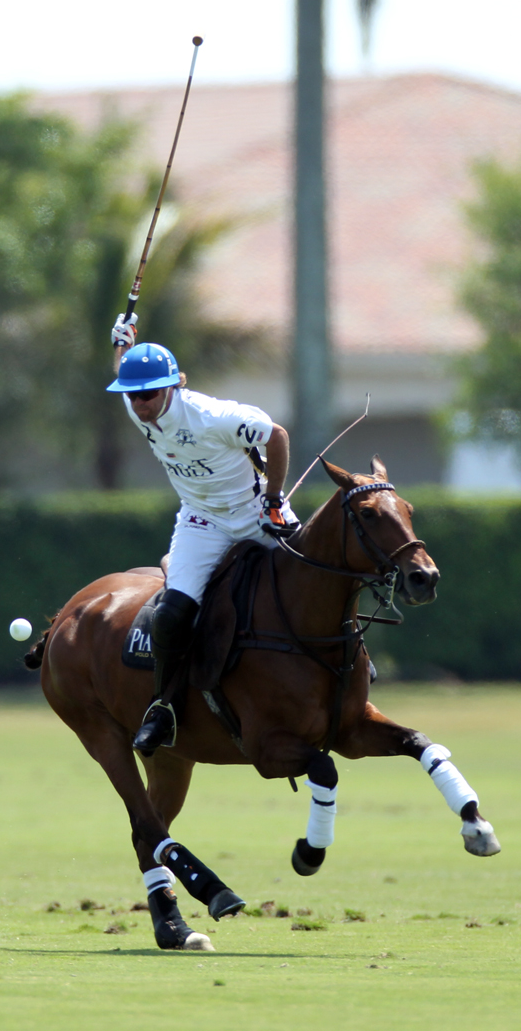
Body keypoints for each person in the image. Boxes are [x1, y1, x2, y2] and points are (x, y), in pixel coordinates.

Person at [108, 313, 300, 756]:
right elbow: (126, 373)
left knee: (314, 578)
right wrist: (123, 344)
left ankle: (355, 665)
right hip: (201, 520)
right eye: (132, 396)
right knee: (171, 613)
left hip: (255, 510)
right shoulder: (139, 406)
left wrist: (273, 499)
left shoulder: (215, 417)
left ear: (173, 386)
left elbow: (276, 436)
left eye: (148, 394)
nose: (140, 404)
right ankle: (163, 707)